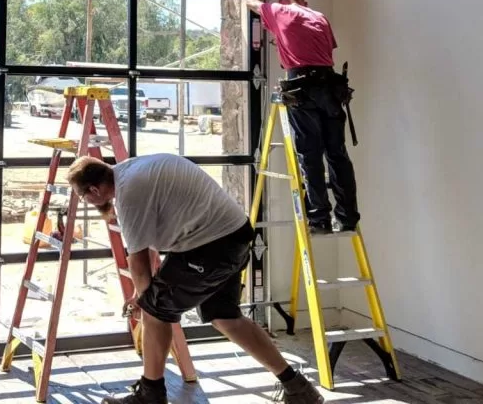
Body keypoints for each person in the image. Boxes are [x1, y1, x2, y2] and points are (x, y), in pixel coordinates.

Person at [68, 154, 323, 404]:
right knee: (225, 317)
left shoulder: (128, 194)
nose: (85, 201)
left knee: (155, 312)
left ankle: (150, 396)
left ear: (93, 190)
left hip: (208, 246)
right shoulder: (133, 170)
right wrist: (144, 294)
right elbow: (150, 250)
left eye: (82, 197)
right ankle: (297, 387)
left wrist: (146, 301)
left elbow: (138, 260)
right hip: (233, 234)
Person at [246, 0, 359, 233]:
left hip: (303, 87)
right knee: (337, 154)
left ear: (284, 1)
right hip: (330, 88)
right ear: (305, 1)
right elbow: (325, 51)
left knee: (310, 154)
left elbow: (251, 2)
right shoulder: (319, 17)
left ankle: (319, 218)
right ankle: (348, 216)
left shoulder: (281, 11)